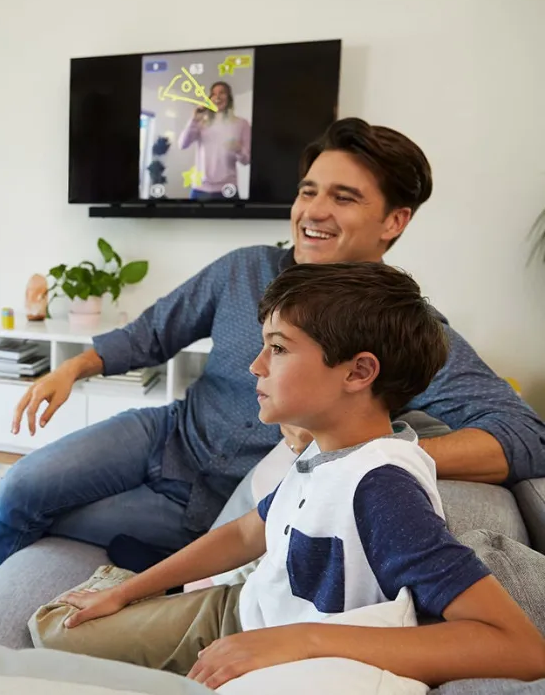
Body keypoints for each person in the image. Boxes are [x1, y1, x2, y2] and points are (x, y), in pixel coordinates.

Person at [0, 117, 545, 603]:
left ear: (394, 221)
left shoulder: (403, 330)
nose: (313, 212)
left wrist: (379, 456)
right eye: (308, 191)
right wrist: (71, 368)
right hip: (167, 432)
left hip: (216, 506)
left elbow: (525, 436)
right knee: (21, 486)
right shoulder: (244, 269)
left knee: (51, 518)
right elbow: (153, 332)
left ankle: (0, 577)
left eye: (344, 198)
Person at [30, 261, 545, 689]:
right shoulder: (325, 449)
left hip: (261, 630)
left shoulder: (381, 487)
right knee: (54, 628)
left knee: (52, 631)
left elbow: (519, 646)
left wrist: (301, 640)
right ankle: (119, 583)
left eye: (277, 348)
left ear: (358, 372)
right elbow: (247, 532)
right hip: (241, 608)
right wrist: (128, 592)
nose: (256, 366)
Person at [177, 81, 250, 200]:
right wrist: (194, 120)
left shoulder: (242, 124)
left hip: (228, 189)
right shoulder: (200, 122)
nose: (217, 97)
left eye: (222, 93)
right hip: (200, 189)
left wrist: (238, 149)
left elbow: (246, 160)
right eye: (213, 94)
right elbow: (182, 145)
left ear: (229, 98)